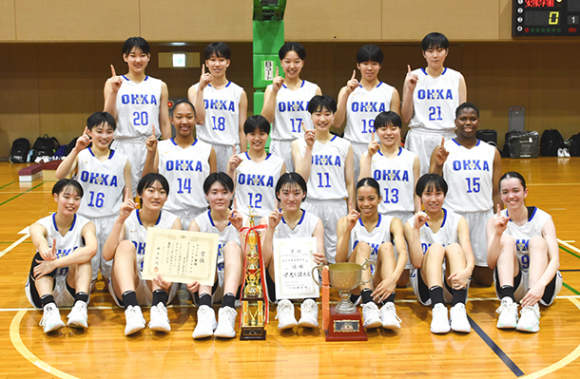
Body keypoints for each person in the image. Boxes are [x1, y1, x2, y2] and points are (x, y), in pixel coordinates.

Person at [55, 112, 132, 289]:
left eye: (109, 131)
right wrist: (76, 149)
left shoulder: (123, 161)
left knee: (111, 276)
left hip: (111, 221)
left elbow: (128, 192)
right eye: (99, 131)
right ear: (89, 132)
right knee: (86, 275)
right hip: (84, 221)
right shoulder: (81, 156)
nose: (104, 136)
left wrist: (125, 218)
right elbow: (59, 175)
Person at [430, 102, 502, 286]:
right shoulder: (444, 150)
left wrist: (498, 216)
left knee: (486, 281)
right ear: (456, 122)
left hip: (483, 215)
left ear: (478, 121)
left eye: (472, 118)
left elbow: (496, 191)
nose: (468, 122)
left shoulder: (491, 152)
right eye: (463, 119)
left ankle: (470, 270)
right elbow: (432, 186)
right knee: (454, 280)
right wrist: (438, 163)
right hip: (455, 216)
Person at [103, 173, 181, 336]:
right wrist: (119, 220)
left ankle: (159, 310)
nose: (156, 196)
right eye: (151, 190)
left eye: (162, 192)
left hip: (161, 285)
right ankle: (132, 310)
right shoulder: (127, 218)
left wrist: (170, 280)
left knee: (160, 244)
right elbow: (107, 254)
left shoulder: (173, 221)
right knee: (124, 245)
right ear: (139, 194)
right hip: (130, 285)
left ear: (166, 197)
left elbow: (177, 260)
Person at [486, 172, 562, 333]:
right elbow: (491, 263)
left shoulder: (543, 219)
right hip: (513, 284)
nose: (511, 196)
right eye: (505, 192)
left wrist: (540, 286)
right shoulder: (495, 220)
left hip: (543, 284)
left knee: (537, 241)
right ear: (500, 195)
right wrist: (498, 234)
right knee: (506, 240)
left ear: (525, 192)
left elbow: (555, 261)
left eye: (516, 190)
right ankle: (507, 305)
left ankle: (532, 309)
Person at [404, 174, 474, 334]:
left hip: (454, 283)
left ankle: (458, 308)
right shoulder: (410, 224)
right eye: (428, 194)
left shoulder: (458, 220)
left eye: (438, 194)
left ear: (445, 195)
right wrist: (416, 230)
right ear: (420, 197)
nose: (433, 199)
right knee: (435, 248)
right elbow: (416, 262)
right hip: (426, 288)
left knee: (455, 248)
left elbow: (468, 253)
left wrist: (468, 271)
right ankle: (438, 308)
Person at [25, 179, 97, 333]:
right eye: (67, 197)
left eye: (77, 198)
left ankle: (80, 307)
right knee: (43, 255)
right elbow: (39, 240)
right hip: (44, 288)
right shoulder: (41, 225)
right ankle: (50, 310)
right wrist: (47, 252)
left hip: (72, 286)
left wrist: (56, 263)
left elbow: (92, 249)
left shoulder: (86, 225)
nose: (72, 202)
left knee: (82, 254)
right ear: (56, 197)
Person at [336, 178, 407, 330]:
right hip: (353, 286)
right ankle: (369, 306)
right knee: (362, 246)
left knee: (387, 246)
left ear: (379, 199)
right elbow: (340, 261)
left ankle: (388, 307)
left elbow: (403, 254)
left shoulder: (392, 222)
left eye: (371, 199)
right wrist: (348, 230)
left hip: (381, 285)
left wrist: (393, 280)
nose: (366, 204)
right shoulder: (345, 221)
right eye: (361, 199)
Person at [103, 37, 171, 195]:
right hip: (123, 144)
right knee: (124, 196)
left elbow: (165, 122)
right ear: (125, 58)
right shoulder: (113, 83)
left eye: (142, 55)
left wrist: (168, 150)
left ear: (149, 57)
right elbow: (107, 120)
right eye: (133, 55)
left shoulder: (159, 85)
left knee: (152, 194)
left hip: (151, 146)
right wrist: (113, 92)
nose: (138, 60)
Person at [359, 111, 421, 286]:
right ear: (376, 132)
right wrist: (370, 157)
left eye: (393, 128)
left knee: (401, 281)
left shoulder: (412, 158)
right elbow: (362, 186)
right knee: (375, 274)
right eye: (383, 128)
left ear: (400, 130)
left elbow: (417, 192)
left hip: (404, 216)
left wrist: (417, 216)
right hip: (380, 218)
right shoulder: (368, 156)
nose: (388, 133)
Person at [292, 95, 355, 264]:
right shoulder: (298, 144)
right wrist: (309, 149)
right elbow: (300, 179)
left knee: (337, 255)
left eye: (327, 114)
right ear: (310, 116)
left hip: (337, 204)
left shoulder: (344, 145)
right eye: (318, 114)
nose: (322, 119)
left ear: (334, 116)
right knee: (312, 254)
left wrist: (351, 209)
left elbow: (350, 182)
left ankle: (337, 289)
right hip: (311, 203)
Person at [260, 173, 325, 330]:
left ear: (304, 194)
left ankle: (309, 305)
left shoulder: (314, 221)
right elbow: (264, 261)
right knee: (277, 255)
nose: (291, 198)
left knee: (312, 255)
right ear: (278, 195)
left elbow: (321, 265)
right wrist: (271, 229)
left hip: (306, 285)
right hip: (277, 287)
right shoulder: (266, 220)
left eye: (296, 193)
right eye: (286, 193)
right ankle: (285, 306)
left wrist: (322, 259)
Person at [142, 99, 216, 230]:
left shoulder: (207, 149)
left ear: (195, 119)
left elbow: (214, 188)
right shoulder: (161, 147)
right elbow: (146, 181)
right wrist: (150, 153)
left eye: (189, 117)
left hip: (199, 214)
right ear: (171, 120)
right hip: (168, 214)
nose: (184, 122)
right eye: (179, 117)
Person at [402, 32, 467, 176]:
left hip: (447, 136)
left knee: (446, 187)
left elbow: (464, 117)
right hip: (419, 136)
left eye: (439, 50)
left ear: (447, 52)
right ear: (424, 54)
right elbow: (405, 117)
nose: (435, 55)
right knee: (417, 186)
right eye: (430, 51)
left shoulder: (457, 78)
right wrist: (409, 90)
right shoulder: (413, 77)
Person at [189, 173, 245, 339]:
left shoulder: (242, 219)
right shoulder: (197, 223)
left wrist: (241, 230)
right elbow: (190, 262)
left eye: (224, 192)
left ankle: (228, 312)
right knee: (204, 247)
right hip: (206, 286)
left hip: (235, 286)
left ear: (232, 194)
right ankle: (205, 313)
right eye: (214, 193)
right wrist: (189, 279)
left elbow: (252, 259)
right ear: (206, 196)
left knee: (232, 246)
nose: (219, 197)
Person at [334, 44, 401, 180]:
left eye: (374, 64)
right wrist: (346, 93)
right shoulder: (347, 91)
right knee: (352, 190)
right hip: (353, 147)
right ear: (358, 66)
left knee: (377, 192)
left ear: (380, 65)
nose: (369, 68)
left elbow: (396, 129)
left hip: (380, 147)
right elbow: (336, 123)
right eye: (365, 63)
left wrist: (396, 154)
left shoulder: (390, 92)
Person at [261, 42, 322, 172]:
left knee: (306, 187)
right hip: (280, 145)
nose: (292, 66)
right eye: (287, 61)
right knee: (281, 187)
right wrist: (275, 92)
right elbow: (265, 121)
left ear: (303, 63)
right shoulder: (271, 89)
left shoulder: (313, 89)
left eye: (297, 61)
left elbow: (321, 123)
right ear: (281, 63)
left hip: (306, 144)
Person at [188, 42, 248, 172]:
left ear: (228, 63)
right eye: (212, 60)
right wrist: (201, 89)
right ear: (206, 63)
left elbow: (242, 130)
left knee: (231, 190)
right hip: (205, 146)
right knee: (207, 189)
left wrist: (244, 157)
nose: (217, 64)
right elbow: (199, 119)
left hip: (231, 148)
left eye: (221, 60)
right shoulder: (194, 90)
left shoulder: (239, 93)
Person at [227, 115, 285, 220]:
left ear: (268, 135)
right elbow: (229, 193)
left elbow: (282, 197)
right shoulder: (236, 161)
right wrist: (231, 170)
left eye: (262, 134)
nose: (257, 138)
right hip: (242, 219)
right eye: (252, 134)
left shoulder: (279, 163)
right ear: (245, 135)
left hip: (268, 219)